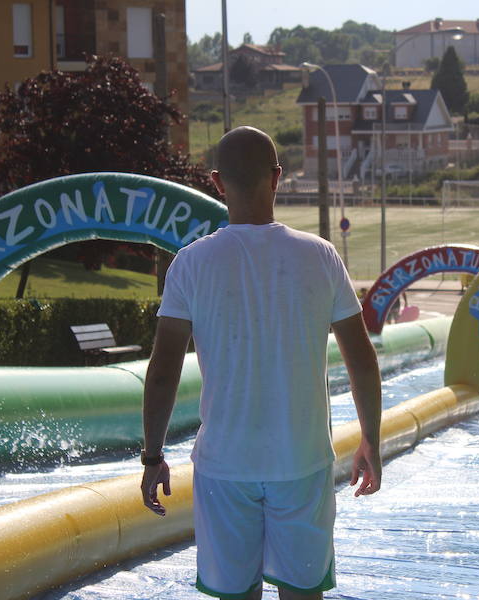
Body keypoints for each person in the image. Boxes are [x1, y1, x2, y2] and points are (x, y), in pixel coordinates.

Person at [140, 126, 382, 600]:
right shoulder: (321, 257)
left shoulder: (190, 264)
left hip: (224, 465)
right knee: (301, 592)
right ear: (277, 177)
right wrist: (371, 438)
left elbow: (163, 371)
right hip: (302, 461)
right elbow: (362, 361)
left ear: (216, 182)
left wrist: (153, 456)